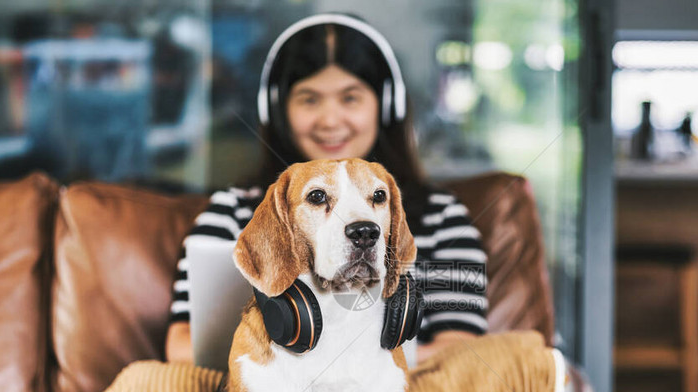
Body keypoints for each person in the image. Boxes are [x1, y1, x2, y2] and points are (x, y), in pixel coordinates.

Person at [166, 13, 488, 365]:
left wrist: (359, 374)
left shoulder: (443, 217)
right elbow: (182, 348)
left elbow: (461, 351)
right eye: (309, 99)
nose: (331, 120)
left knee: (519, 360)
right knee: (147, 384)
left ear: (386, 105)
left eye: (350, 98)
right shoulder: (233, 211)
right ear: (278, 110)